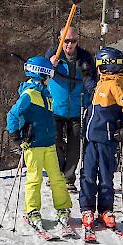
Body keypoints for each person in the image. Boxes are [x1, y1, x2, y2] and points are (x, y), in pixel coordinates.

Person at [6, 56, 72, 231]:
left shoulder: (46, 93)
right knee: (34, 179)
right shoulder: (29, 94)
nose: (52, 76)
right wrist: (16, 137)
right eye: (49, 73)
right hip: (33, 144)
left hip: (49, 143)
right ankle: (32, 210)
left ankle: (63, 208)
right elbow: (12, 115)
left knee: (57, 178)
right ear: (41, 75)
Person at [79, 47, 123, 230]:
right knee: (88, 174)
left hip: (105, 138)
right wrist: (86, 75)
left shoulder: (116, 84)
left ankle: (105, 209)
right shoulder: (103, 82)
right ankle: (87, 208)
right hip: (90, 138)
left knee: (105, 175)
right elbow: (92, 89)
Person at [45, 27, 96, 192]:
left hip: (76, 108)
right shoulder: (53, 55)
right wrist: (50, 65)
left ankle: (68, 178)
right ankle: (56, 175)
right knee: (55, 143)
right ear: (60, 40)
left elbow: (90, 80)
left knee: (74, 144)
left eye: (73, 40)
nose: (69, 44)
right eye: (66, 40)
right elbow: (43, 74)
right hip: (56, 108)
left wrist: (91, 98)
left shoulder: (85, 57)